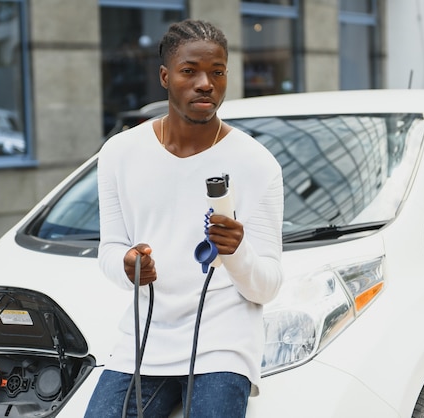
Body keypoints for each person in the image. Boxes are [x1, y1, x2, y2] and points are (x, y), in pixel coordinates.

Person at [85, 19, 284, 418]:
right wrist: (128, 266)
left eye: (218, 72)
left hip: (223, 343)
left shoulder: (257, 164)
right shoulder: (119, 153)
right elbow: (109, 250)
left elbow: (268, 286)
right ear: (165, 76)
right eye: (190, 71)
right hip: (144, 342)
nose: (206, 83)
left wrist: (237, 253)